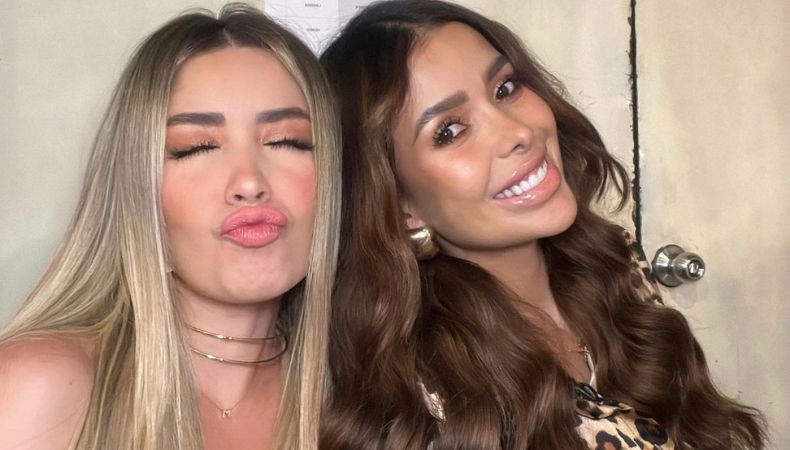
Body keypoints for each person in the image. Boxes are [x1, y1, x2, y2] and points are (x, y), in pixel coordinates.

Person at [320, 1, 764, 448]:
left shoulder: (613, 259)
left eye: (505, 88)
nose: (519, 132)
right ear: (400, 205)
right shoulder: (426, 394)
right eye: (450, 131)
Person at [0, 4, 340, 450]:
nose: (249, 182)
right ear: (136, 186)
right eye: (195, 148)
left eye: (287, 141)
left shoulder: (361, 405)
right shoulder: (39, 387)